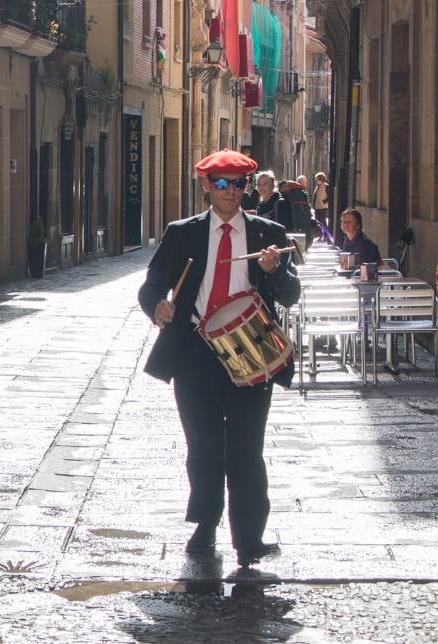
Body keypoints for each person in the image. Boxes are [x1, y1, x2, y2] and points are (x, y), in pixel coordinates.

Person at [138, 149, 300, 568]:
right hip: (195, 350)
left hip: (253, 350)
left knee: (247, 448)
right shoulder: (182, 233)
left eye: (239, 184)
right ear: (207, 187)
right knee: (204, 445)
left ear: (248, 188)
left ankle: (249, 538)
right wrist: (158, 305)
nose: (231, 192)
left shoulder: (268, 231)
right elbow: (151, 285)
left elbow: (290, 295)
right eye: (222, 184)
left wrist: (273, 270)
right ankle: (205, 523)